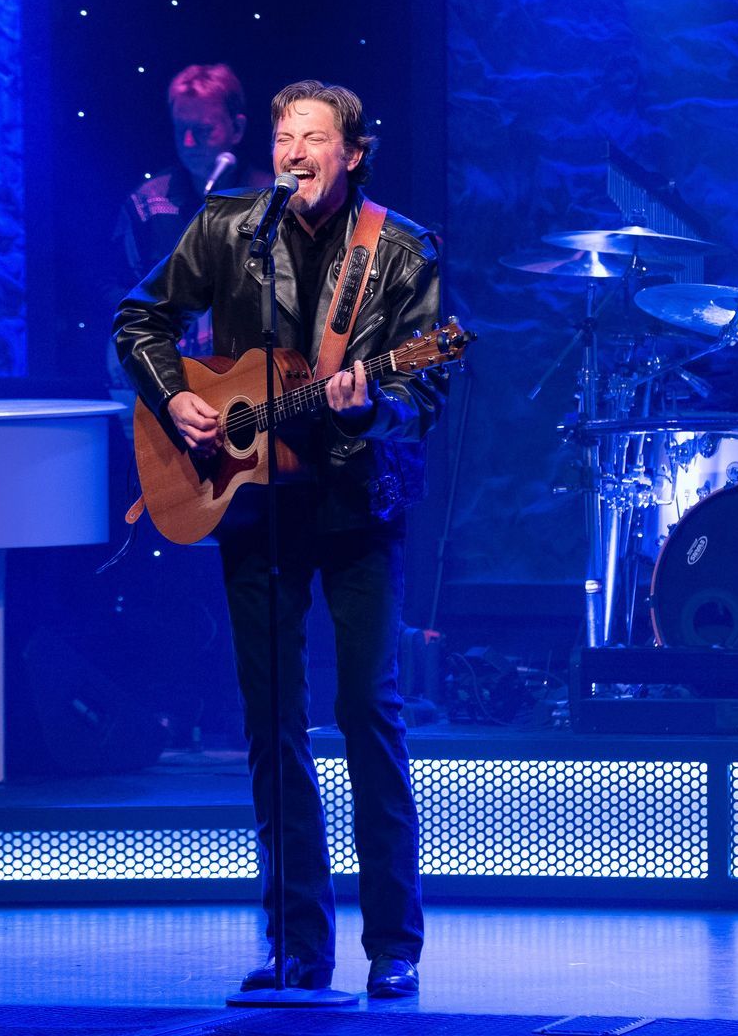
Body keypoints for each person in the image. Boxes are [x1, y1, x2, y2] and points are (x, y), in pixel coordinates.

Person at [112, 80, 443, 1000]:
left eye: (316, 137)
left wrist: (374, 401)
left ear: (354, 151)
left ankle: (394, 945)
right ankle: (298, 944)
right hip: (252, 511)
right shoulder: (229, 229)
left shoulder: (400, 251)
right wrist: (174, 394)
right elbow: (140, 319)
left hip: (358, 508)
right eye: (284, 134)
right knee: (271, 726)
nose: (295, 149)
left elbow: (427, 388)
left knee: (369, 715)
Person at [114, 63, 276, 288]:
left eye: (203, 130)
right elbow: (116, 283)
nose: (188, 142)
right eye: (181, 129)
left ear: (237, 129)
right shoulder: (147, 202)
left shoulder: (272, 198)